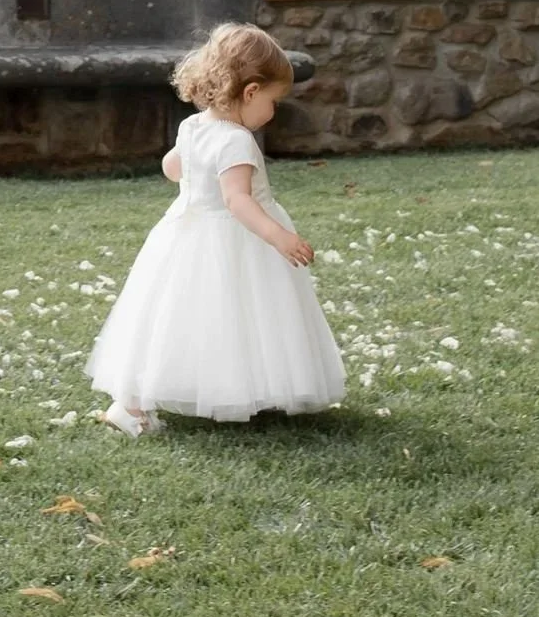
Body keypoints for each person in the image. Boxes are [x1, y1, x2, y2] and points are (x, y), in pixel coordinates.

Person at [86, 22, 346, 434]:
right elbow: (237, 199)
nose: (274, 112)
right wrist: (279, 236)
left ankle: (133, 403)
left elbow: (171, 167)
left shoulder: (193, 127)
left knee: (177, 317)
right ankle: (232, 390)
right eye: (275, 101)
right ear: (251, 92)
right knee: (243, 312)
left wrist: (192, 168)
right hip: (234, 240)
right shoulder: (237, 141)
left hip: (184, 234)